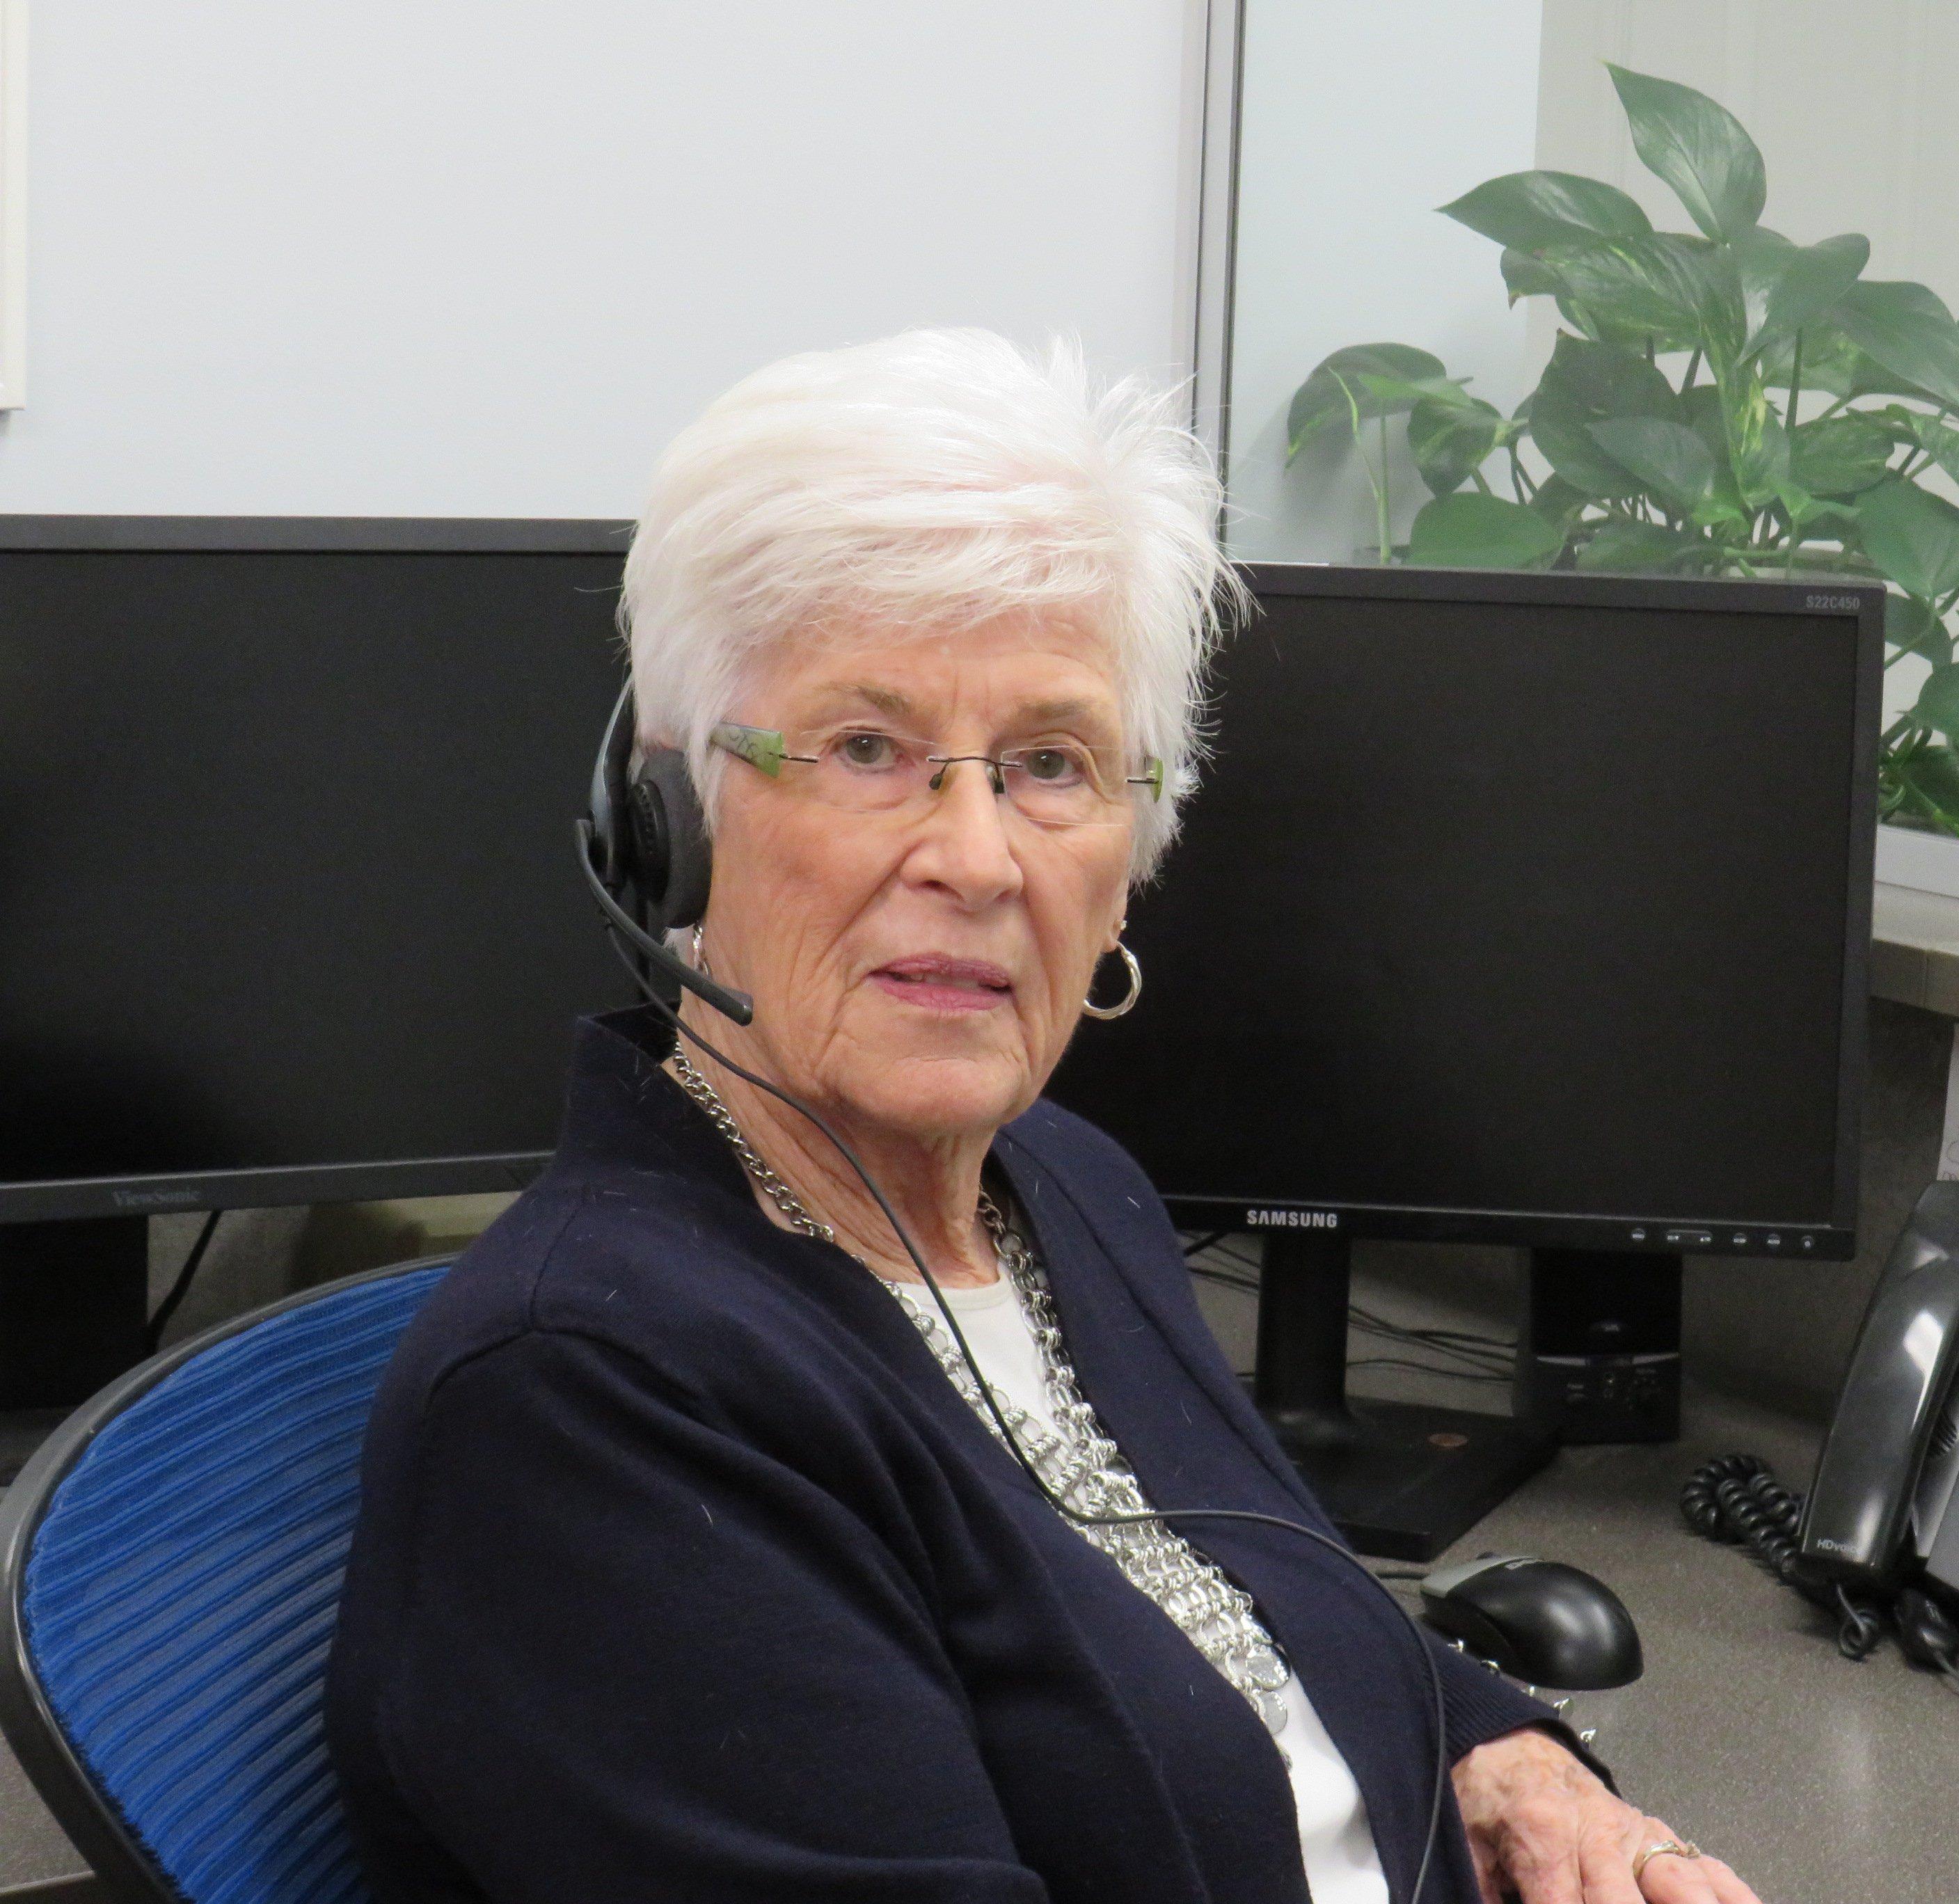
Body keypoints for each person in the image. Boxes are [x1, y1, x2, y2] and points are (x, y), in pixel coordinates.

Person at [325, 330, 1761, 1904]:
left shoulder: (1065, 1192)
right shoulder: (596, 1396)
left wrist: (1504, 1754)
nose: (981, 857)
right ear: (671, 823)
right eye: (868, 749)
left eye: (1050, 764)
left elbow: (1259, 1620)